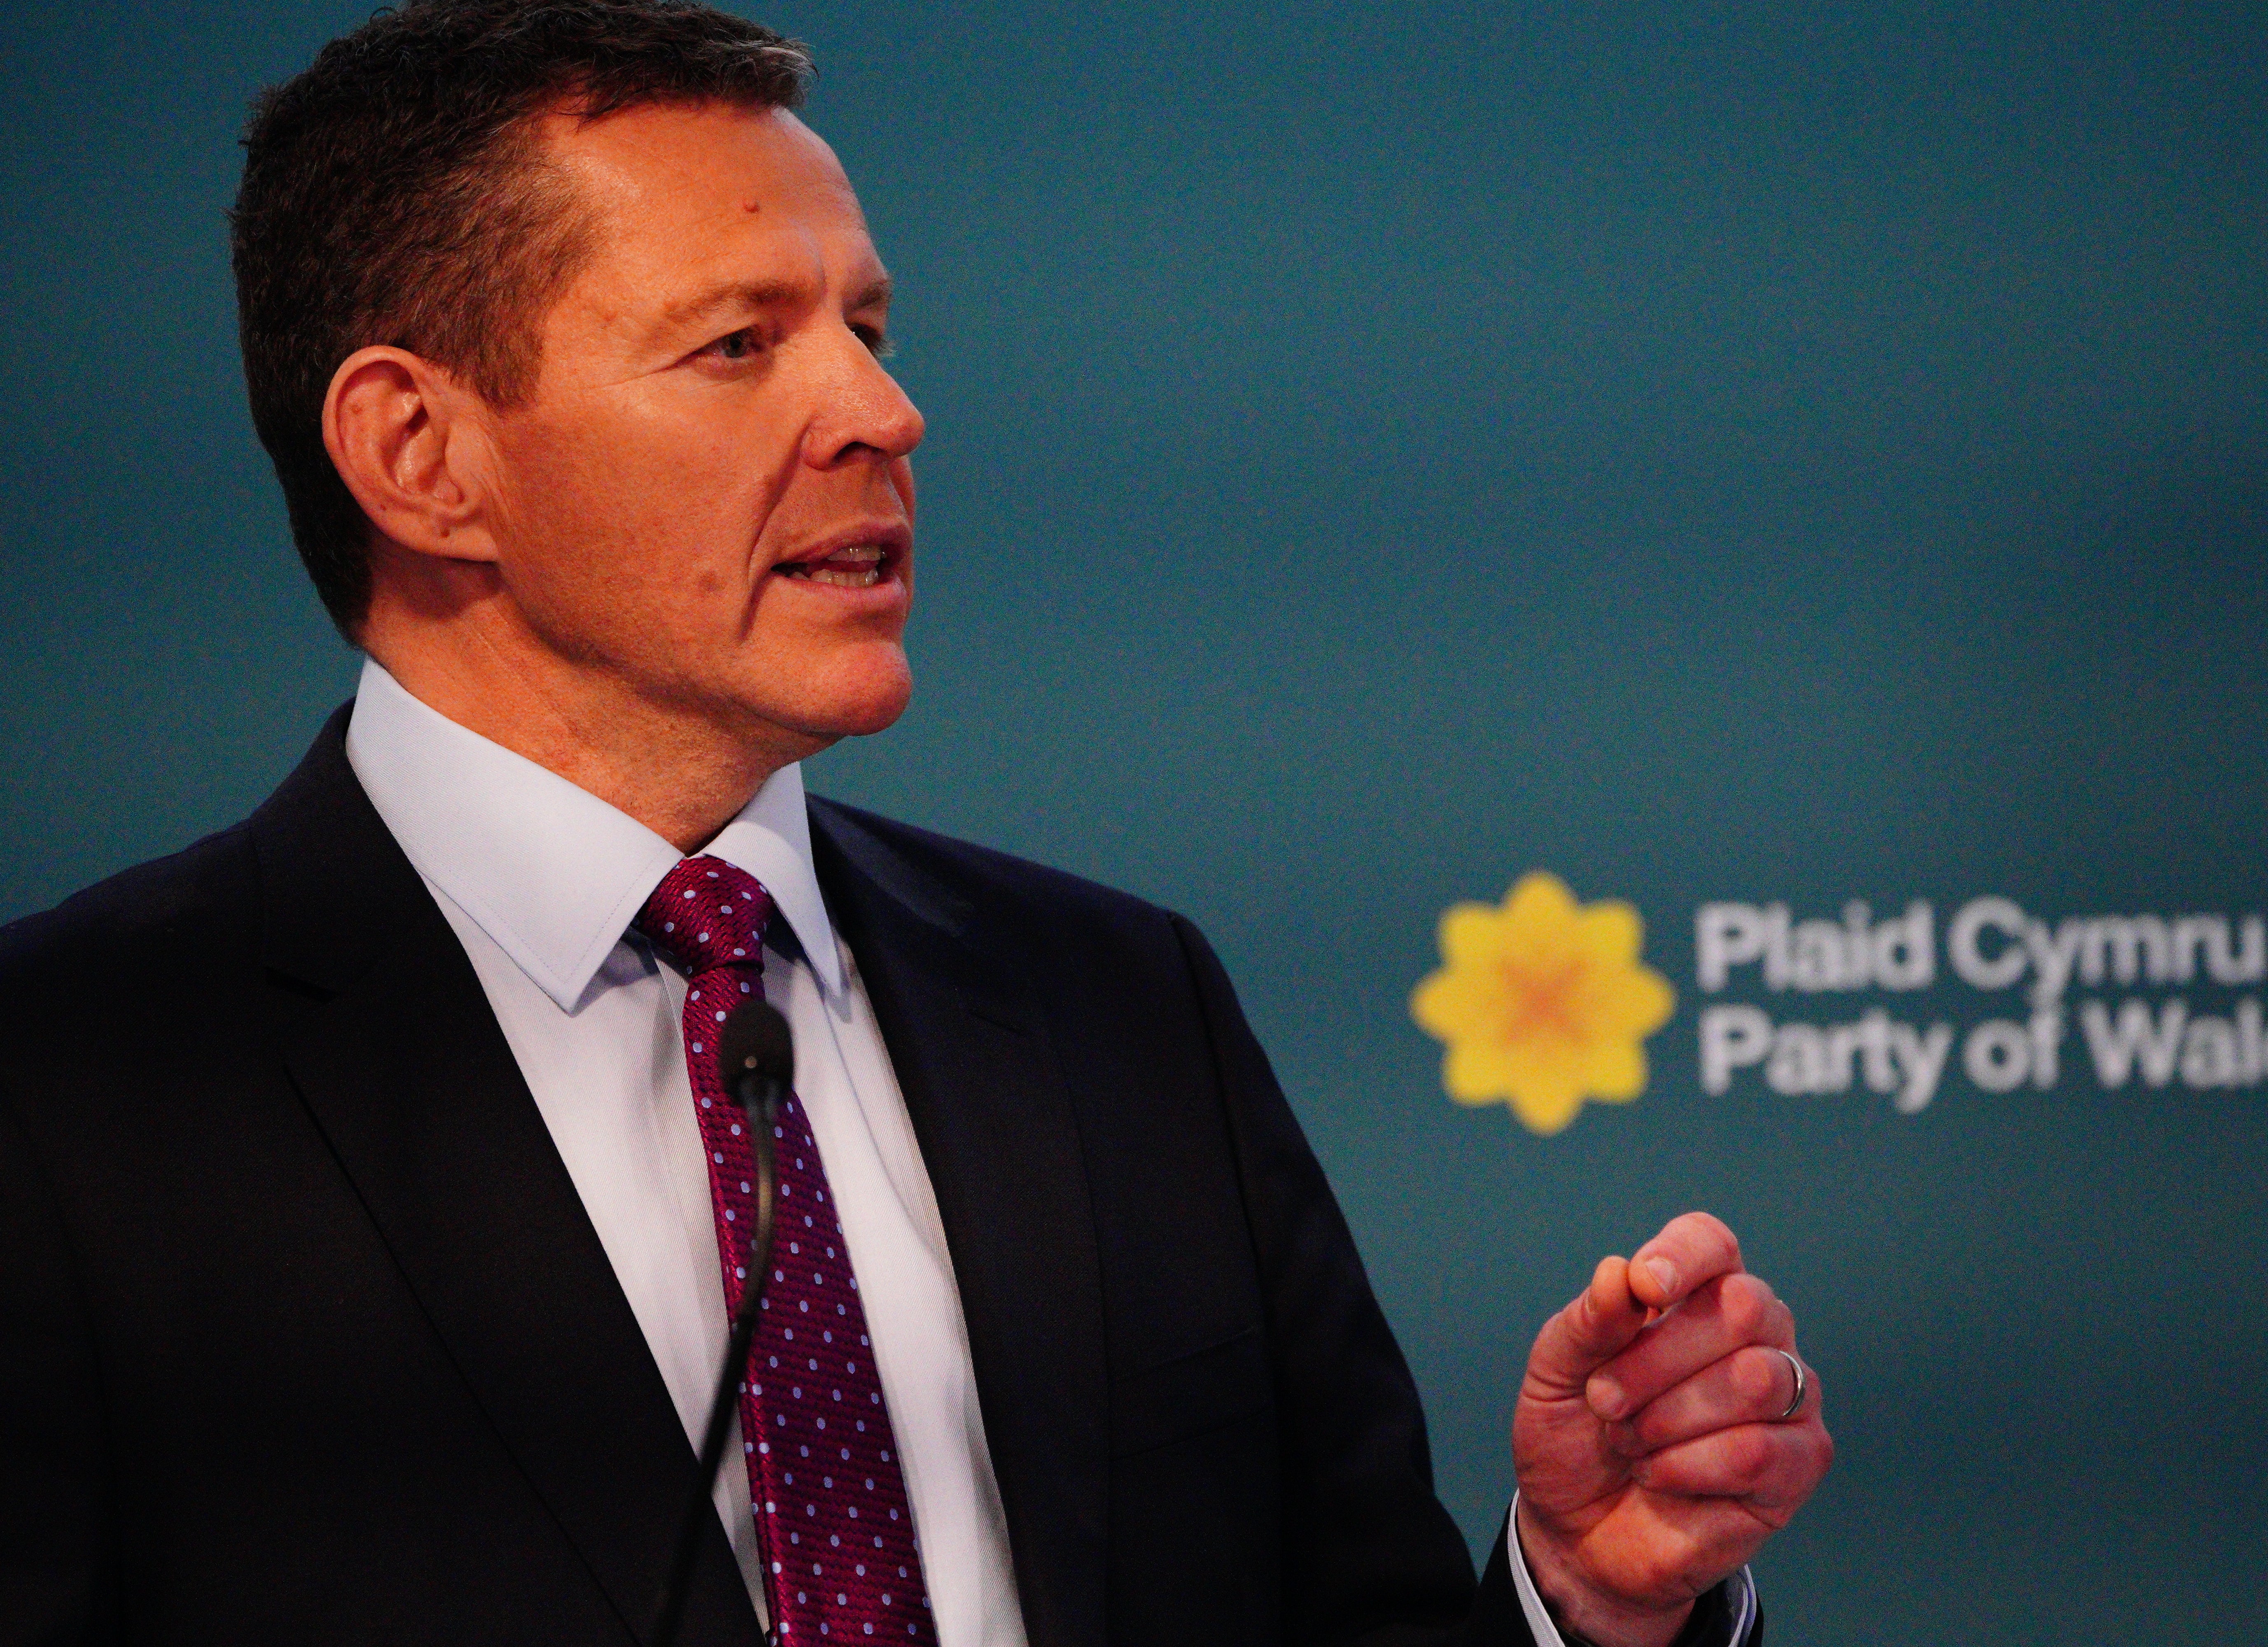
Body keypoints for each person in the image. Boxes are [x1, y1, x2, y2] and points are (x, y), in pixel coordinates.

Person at [0, 3, 1831, 1643]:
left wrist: (1585, 1606)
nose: (884, 410)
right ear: (421, 453)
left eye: (866, 326)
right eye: (738, 346)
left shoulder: (1116, 1012)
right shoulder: (76, 1098)